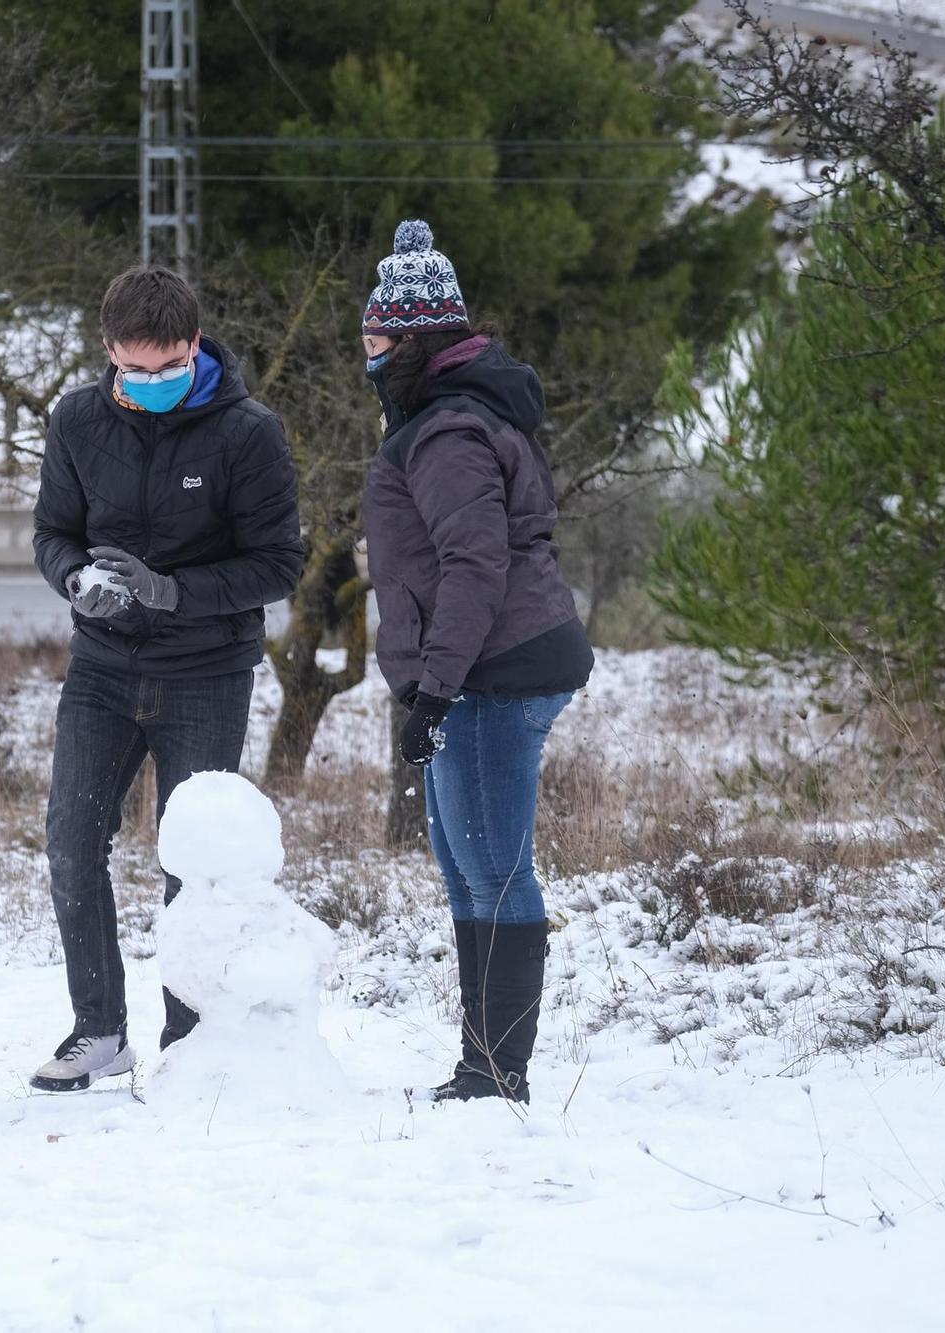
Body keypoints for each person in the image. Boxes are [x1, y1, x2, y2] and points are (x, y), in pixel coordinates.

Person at [28, 265, 304, 1092]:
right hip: (102, 669)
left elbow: (279, 562)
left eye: (166, 367)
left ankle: (189, 1041)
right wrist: (77, 578)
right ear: (109, 350)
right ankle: (99, 1030)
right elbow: (51, 531)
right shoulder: (76, 419)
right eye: (134, 368)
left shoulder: (247, 432)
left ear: (193, 344)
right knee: (72, 844)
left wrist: (173, 590)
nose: (149, 382)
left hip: (206, 675)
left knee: (193, 868)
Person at [359, 220, 594, 1104]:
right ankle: (481, 1064)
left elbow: (473, 565)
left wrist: (436, 687)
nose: (368, 355)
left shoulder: (450, 431)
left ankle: (498, 1075)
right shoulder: (448, 416)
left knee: (495, 868)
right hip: (486, 670)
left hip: (495, 675)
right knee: (469, 868)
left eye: (378, 340)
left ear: (415, 340)